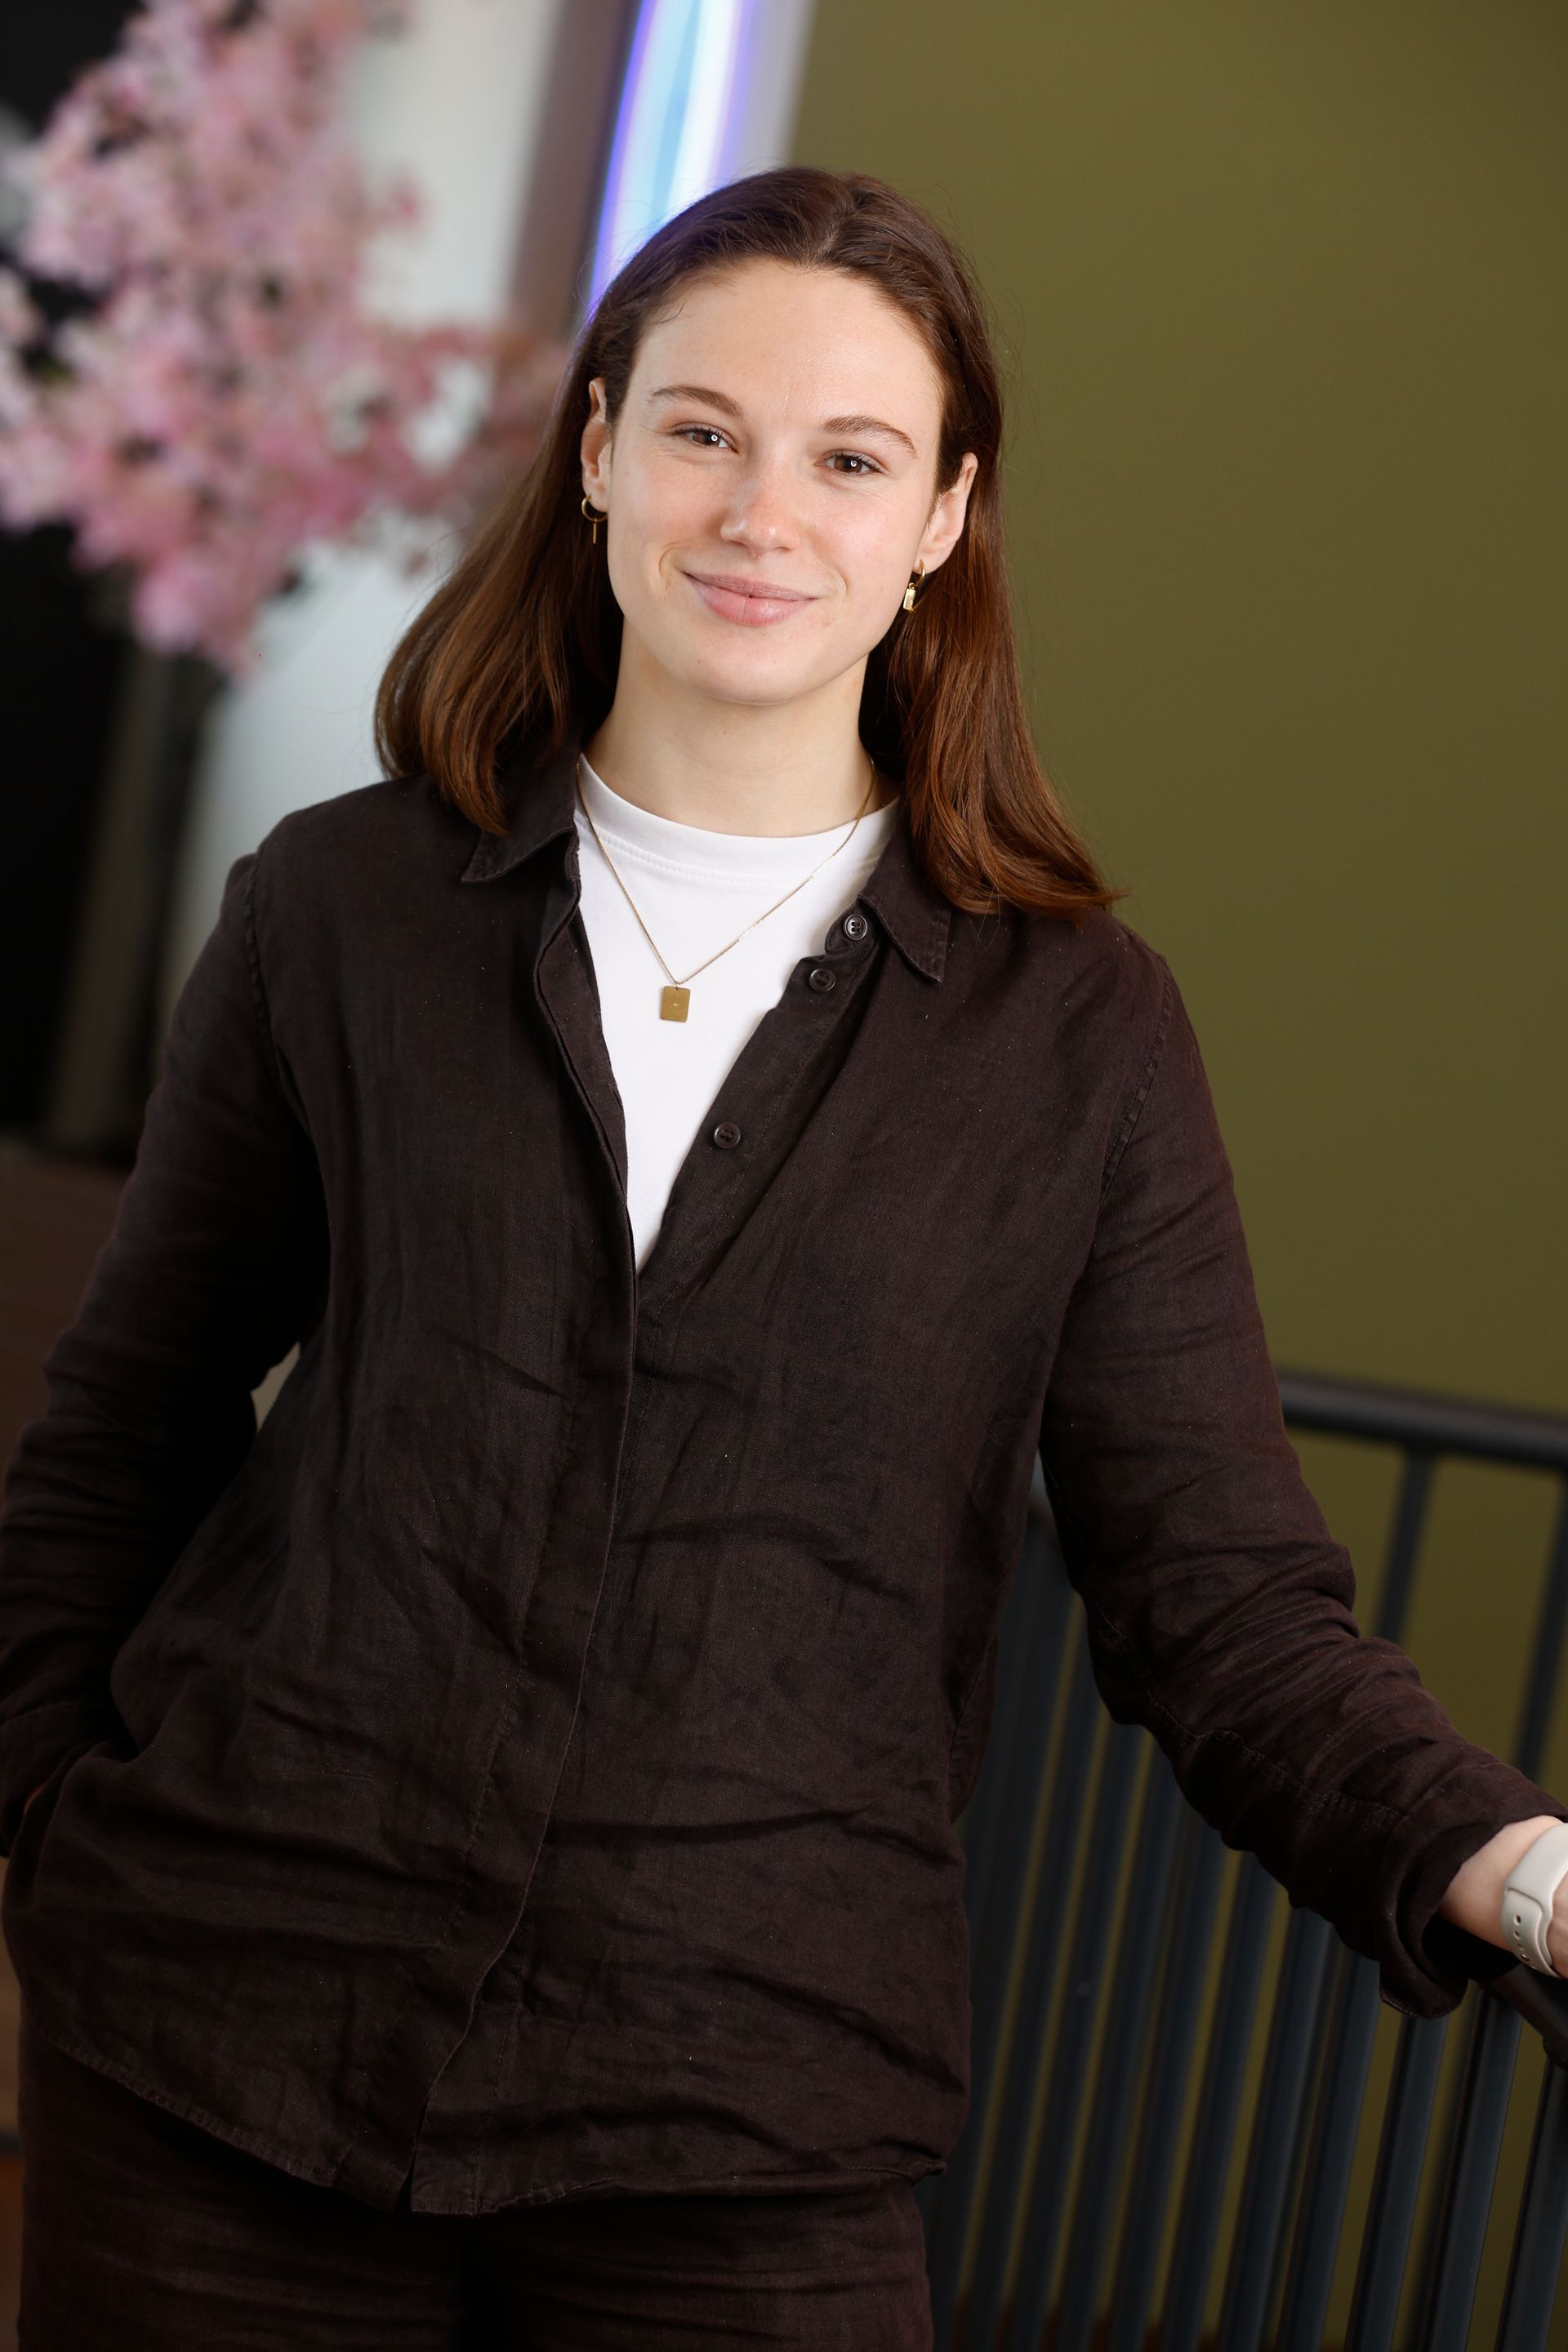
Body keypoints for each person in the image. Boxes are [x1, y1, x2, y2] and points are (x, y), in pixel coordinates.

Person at [0, 163, 1562, 2351]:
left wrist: (1529, 1873)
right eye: (705, 431)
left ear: (940, 520)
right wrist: (56, 1831)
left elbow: (1218, 1594)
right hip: (216, 2062)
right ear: (601, 451)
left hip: (748, 2120)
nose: (762, 513)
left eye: (850, 459)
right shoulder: (338, 911)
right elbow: (121, 1437)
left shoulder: (1079, 1039)